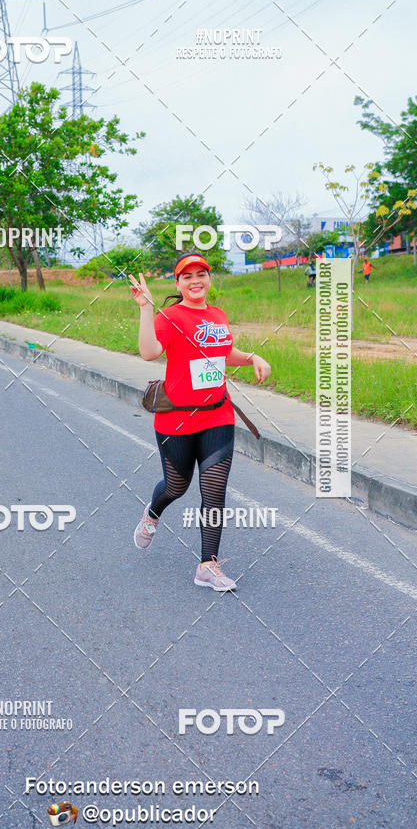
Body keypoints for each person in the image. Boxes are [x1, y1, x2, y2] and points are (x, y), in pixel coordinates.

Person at [129, 253, 271, 592]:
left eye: (201, 274)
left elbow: (223, 353)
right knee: (176, 487)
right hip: (176, 419)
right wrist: (146, 309)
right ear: (178, 284)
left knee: (215, 490)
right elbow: (150, 353)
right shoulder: (171, 316)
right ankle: (153, 513)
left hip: (217, 415)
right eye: (187, 275)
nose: (195, 280)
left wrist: (252, 357)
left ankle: (208, 565)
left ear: (209, 279)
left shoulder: (217, 315)